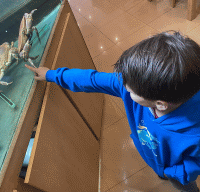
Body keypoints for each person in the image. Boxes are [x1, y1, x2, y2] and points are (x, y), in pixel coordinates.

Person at [25, 31, 200, 192]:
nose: (123, 88)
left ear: (160, 104)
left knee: (185, 187)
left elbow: (194, 165)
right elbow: (92, 80)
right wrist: (52, 75)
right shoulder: (139, 84)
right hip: (154, 155)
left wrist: (174, 172)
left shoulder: (194, 133)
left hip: (175, 171)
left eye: (130, 92)